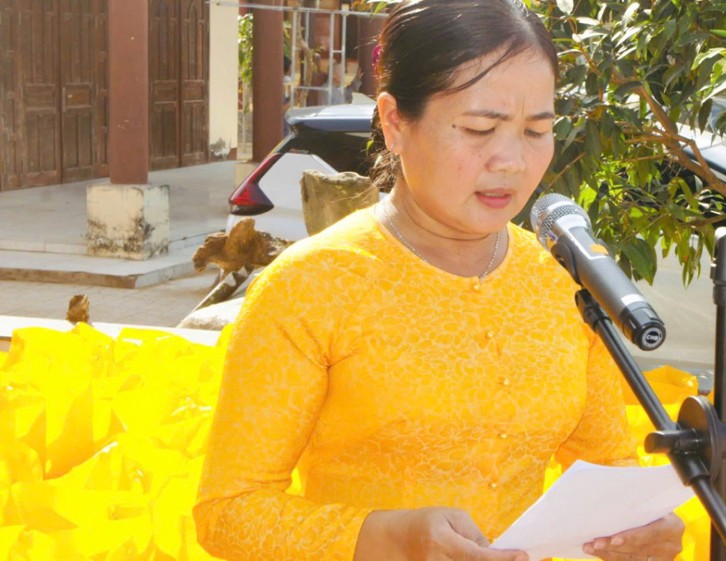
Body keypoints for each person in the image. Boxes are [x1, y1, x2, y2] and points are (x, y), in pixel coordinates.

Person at [193, 1, 686, 561]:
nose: (510, 161)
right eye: (479, 129)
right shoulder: (311, 285)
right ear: (394, 123)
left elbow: (607, 467)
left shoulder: (558, 283)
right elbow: (228, 510)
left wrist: (639, 529)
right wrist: (385, 538)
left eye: (536, 130)